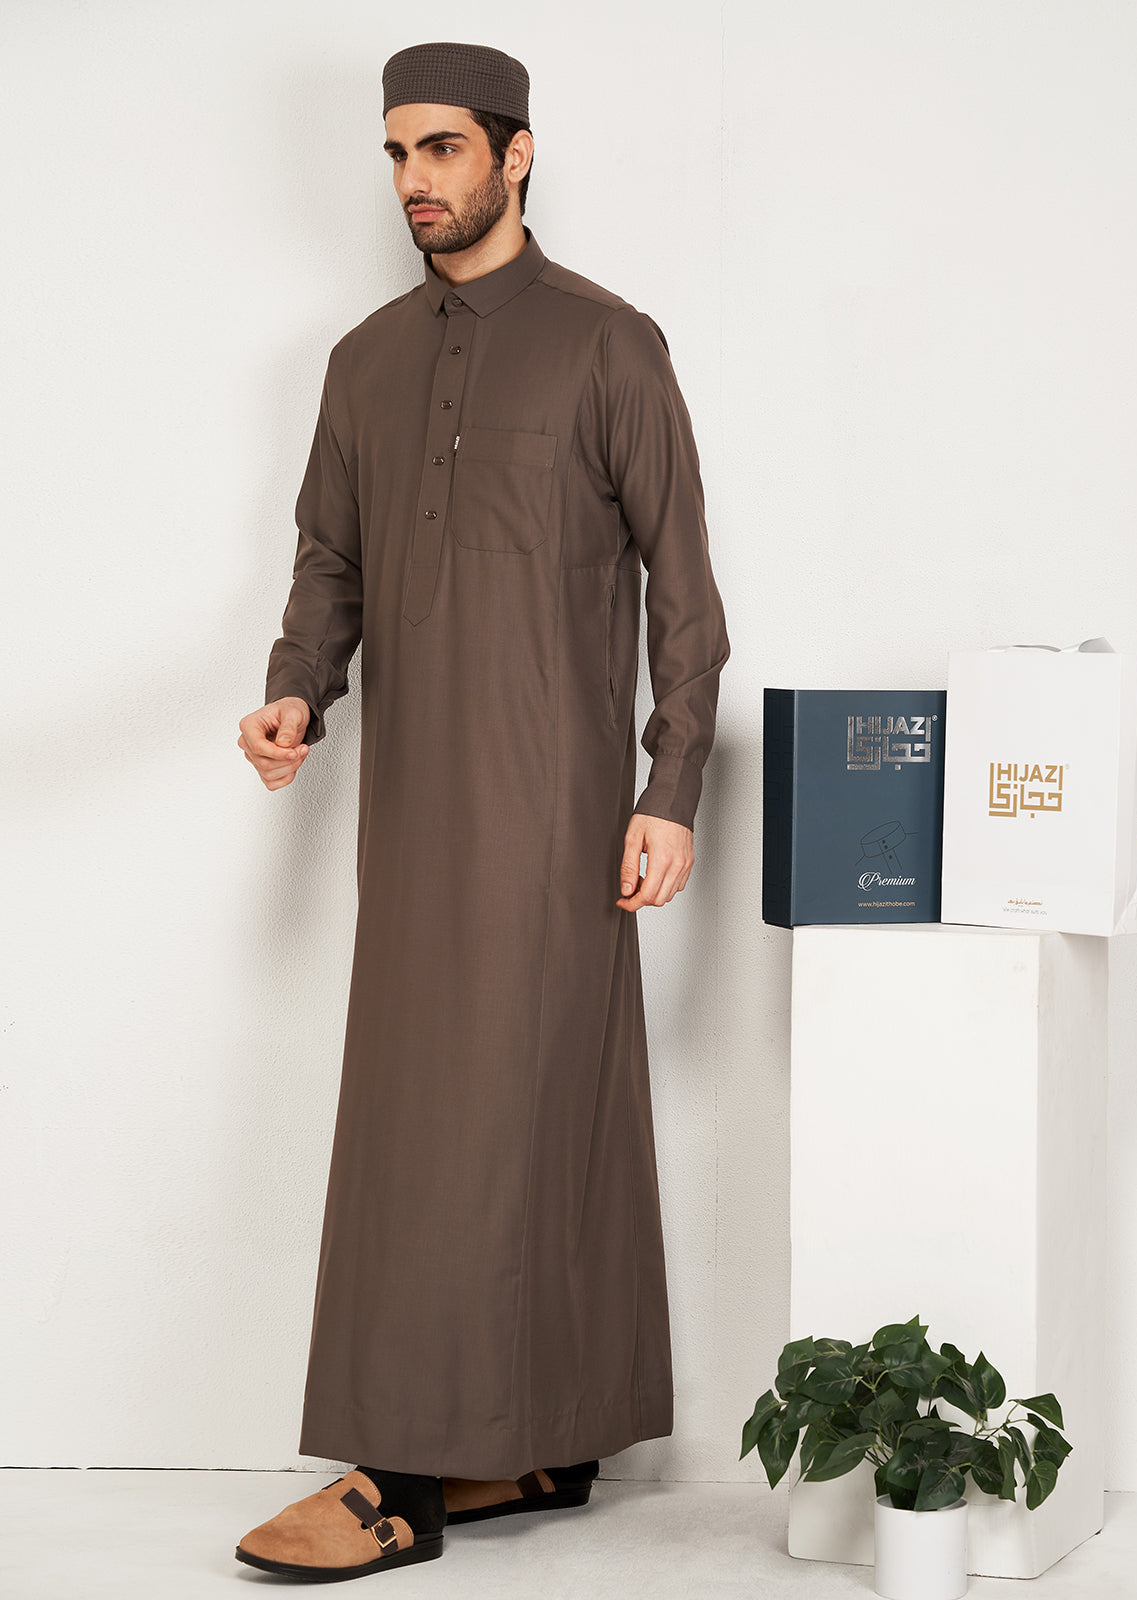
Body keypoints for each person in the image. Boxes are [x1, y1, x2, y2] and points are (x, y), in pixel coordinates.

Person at [234, 39, 731, 1580]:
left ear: (516, 155)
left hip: (562, 810)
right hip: (410, 814)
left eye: (442, 148)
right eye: (397, 153)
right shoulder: (365, 363)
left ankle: (402, 1477)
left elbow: (688, 599)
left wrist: (669, 788)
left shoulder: (608, 346)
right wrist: (297, 691)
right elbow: (330, 560)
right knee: (436, 1111)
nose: (414, 180)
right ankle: (538, 1446)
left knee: (522, 1111)